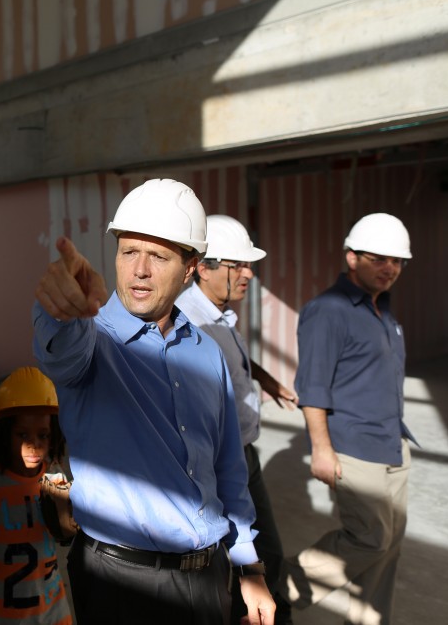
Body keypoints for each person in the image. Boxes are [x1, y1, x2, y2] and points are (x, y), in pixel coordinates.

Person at [33, 179, 275, 625]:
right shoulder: (93, 338)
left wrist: (249, 564)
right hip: (121, 584)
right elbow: (63, 353)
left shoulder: (207, 353)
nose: (139, 270)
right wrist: (60, 309)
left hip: (208, 577)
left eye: (158, 256)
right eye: (128, 252)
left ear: (190, 268)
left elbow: (227, 469)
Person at [283, 213, 416, 625]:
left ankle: (369, 620)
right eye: (379, 258)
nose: (389, 268)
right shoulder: (329, 310)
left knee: (389, 543)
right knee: (369, 539)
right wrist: (321, 449)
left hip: (392, 443)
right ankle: (276, 588)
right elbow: (313, 386)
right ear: (351, 257)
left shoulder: (384, 313)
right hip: (354, 447)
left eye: (397, 261)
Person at [175, 214, 298, 624]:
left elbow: (229, 361)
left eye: (249, 265)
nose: (249, 273)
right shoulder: (193, 321)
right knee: (248, 559)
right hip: (221, 460)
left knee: (265, 554)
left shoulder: (218, 312)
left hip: (243, 452)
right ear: (204, 267)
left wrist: (265, 379)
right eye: (238, 265)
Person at [0, 367, 72, 624]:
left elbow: (66, 536)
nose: (34, 444)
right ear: (4, 433)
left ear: (54, 435)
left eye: (43, 435)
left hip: (52, 614)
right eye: (22, 435)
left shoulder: (55, 479)